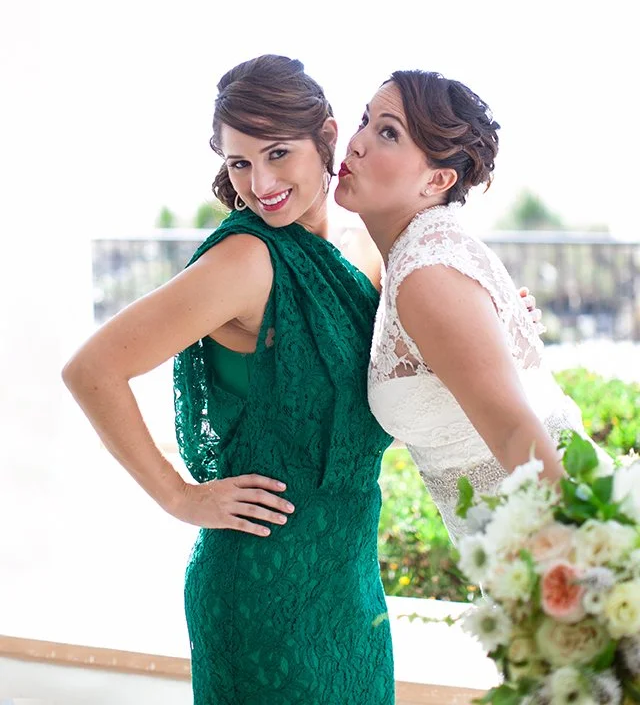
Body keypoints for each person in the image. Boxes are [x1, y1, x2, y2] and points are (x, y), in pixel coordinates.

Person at [62, 55, 394, 705]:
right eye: (240, 162)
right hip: (261, 593)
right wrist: (180, 498)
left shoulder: (359, 250)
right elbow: (92, 370)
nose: (259, 183)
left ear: (327, 136)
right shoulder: (247, 259)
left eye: (277, 154)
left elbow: (380, 397)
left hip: (351, 582)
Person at [335, 69, 591, 543]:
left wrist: (591, 562)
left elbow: (515, 433)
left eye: (388, 133)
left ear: (438, 179)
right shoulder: (413, 254)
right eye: (365, 121)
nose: (356, 143)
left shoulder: (428, 273)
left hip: (549, 544)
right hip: (510, 549)